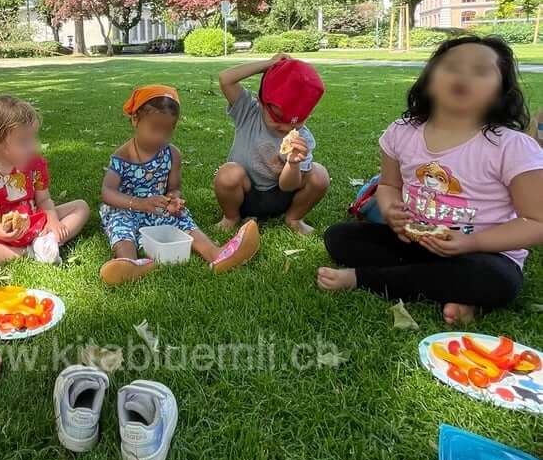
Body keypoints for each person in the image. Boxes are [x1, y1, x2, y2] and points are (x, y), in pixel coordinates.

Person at [319, 36, 543, 326]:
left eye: (480, 70)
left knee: (498, 281)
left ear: (501, 91)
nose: (463, 75)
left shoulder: (511, 147)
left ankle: (365, 280)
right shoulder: (402, 132)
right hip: (414, 241)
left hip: (485, 253)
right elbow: (389, 186)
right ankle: (455, 293)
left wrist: (472, 242)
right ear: (429, 78)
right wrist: (390, 211)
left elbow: (536, 221)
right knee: (339, 238)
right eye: (451, 66)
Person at [99, 85, 259, 285]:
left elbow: (174, 187)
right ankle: (129, 263)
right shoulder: (122, 155)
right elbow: (107, 192)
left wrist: (174, 199)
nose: (160, 137)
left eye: (167, 131)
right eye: (155, 129)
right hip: (126, 206)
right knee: (121, 226)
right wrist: (139, 203)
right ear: (135, 120)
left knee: (183, 219)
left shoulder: (172, 154)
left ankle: (216, 254)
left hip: (158, 206)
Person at [0, 94, 90, 266]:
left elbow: (44, 199)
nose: (34, 146)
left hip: (35, 224)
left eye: (34, 137)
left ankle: (45, 242)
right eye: (24, 141)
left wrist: (53, 221)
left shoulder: (35, 164)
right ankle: (31, 252)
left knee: (81, 207)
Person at [213, 55, 329, 236]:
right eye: (277, 120)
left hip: (281, 196)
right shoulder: (248, 112)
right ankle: (231, 217)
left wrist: (293, 163)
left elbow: (288, 187)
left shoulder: (302, 138)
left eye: (295, 124)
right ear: (261, 103)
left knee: (320, 175)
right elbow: (225, 79)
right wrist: (269, 65)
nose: (285, 128)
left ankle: (293, 218)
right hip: (245, 194)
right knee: (228, 173)